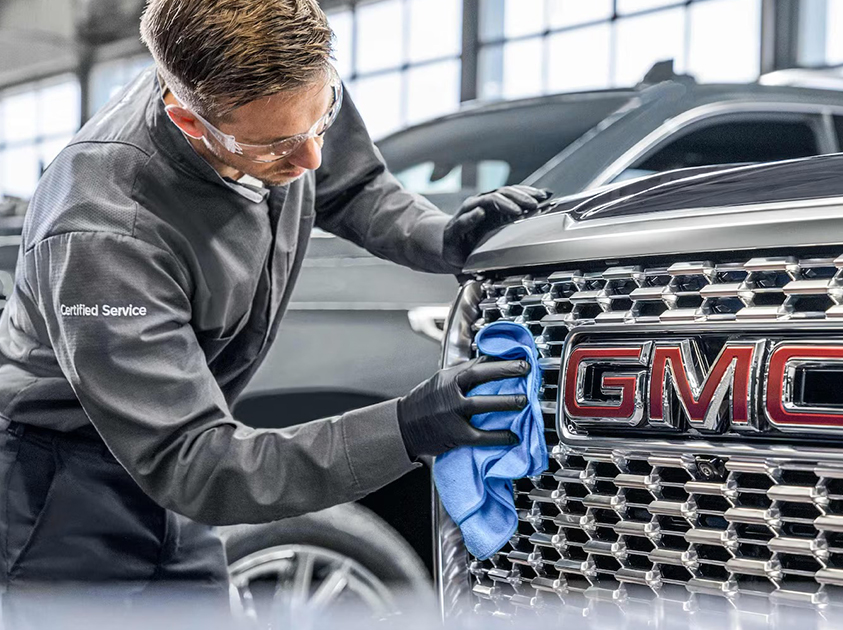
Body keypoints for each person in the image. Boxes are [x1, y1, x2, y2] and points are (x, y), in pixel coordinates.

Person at [0, 0, 547, 622]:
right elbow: (195, 464)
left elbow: (352, 185)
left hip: (184, 463)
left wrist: (436, 236)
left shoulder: (285, 89)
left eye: (322, 120)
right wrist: (406, 428)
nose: (310, 158)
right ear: (188, 120)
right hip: (63, 488)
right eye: (279, 146)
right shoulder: (104, 230)